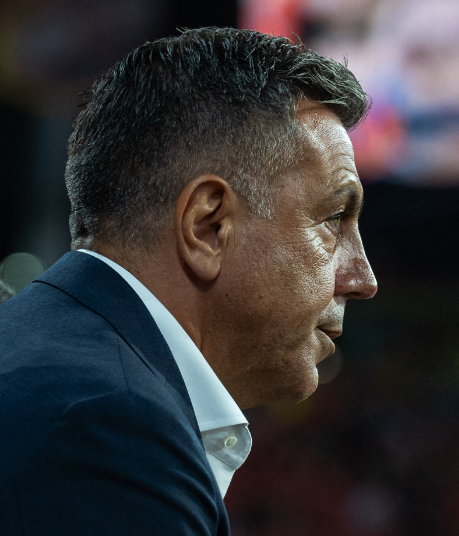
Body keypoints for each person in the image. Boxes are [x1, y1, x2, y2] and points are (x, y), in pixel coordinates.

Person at [0, 27, 377, 534]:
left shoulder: (48, 360)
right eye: (332, 219)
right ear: (208, 227)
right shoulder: (110, 425)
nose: (362, 278)